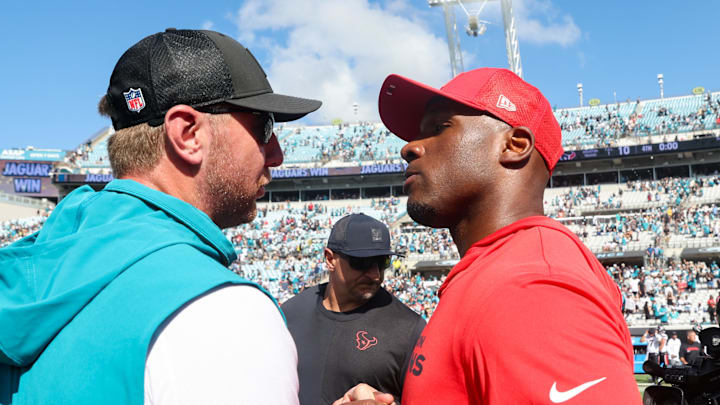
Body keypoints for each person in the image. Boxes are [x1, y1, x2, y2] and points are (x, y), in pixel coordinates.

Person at [0, 29, 321, 405]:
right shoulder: (222, 313)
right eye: (264, 126)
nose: (278, 154)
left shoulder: (40, 265)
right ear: (187, 134)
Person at [339, 68, 639, 404]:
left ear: (514, 145)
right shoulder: (500, 269)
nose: (409, 148)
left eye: (439, 128)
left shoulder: (532, 287)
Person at [282, 213, 425, 405]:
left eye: (382, 262)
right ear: (330, 259)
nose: (375, 275)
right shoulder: (290, 313)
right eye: (362, 262)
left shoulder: (409, 329)